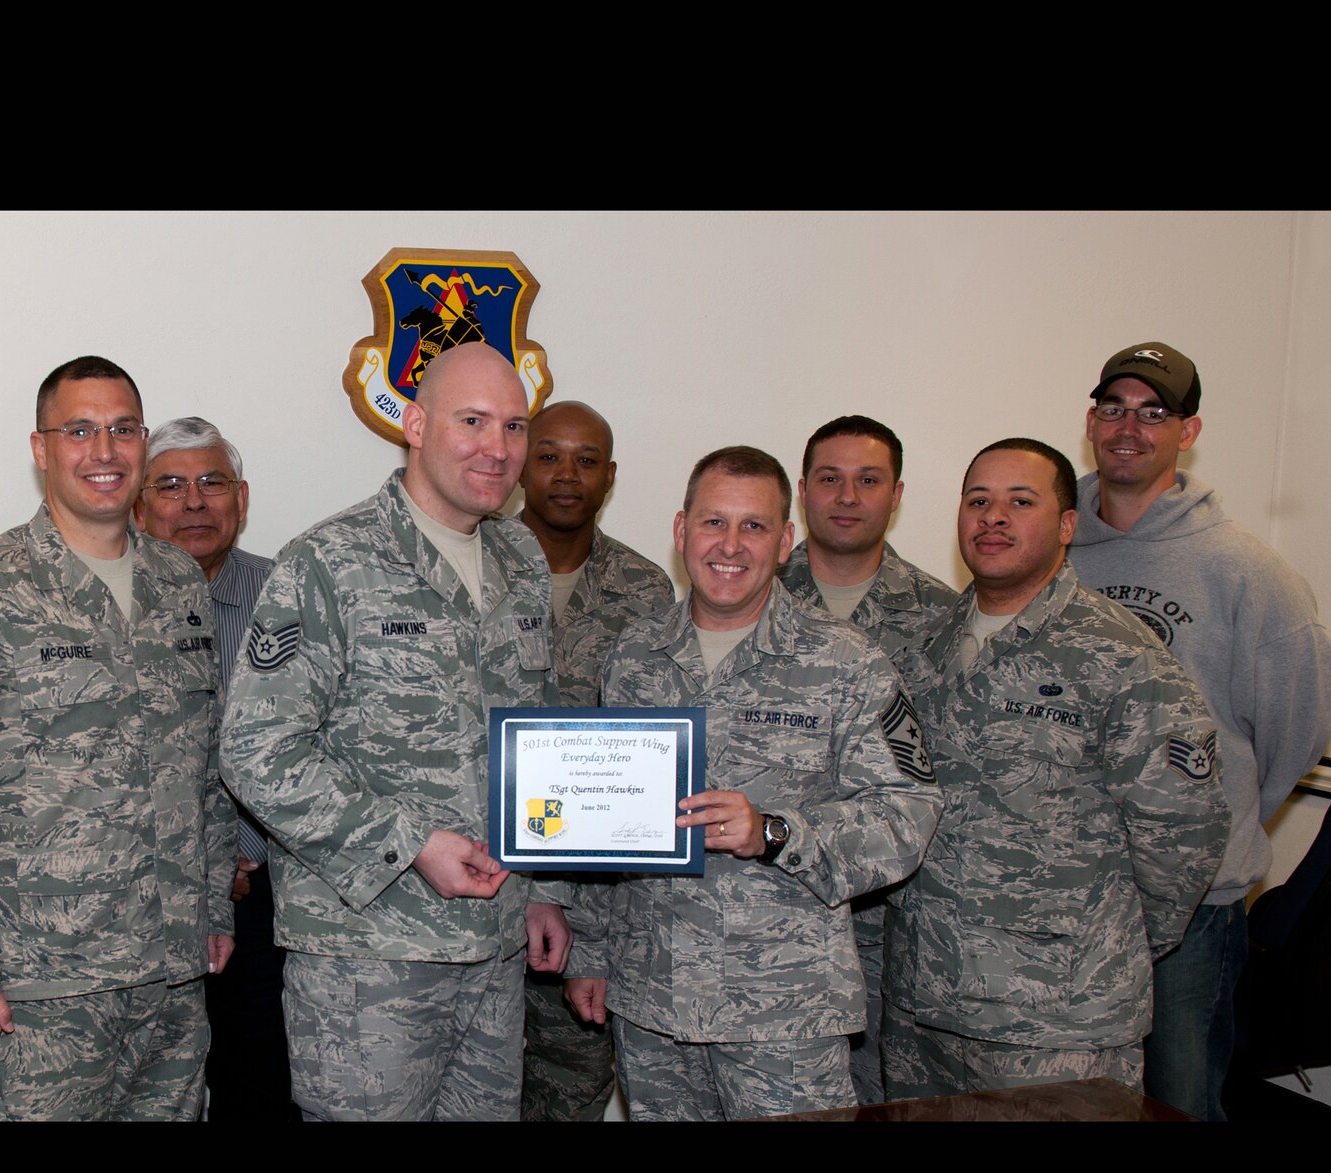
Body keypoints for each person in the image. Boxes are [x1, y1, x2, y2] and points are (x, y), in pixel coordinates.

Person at [221, 341, 572, 1122]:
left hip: (496, 943)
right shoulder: (330, 561)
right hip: (370, 957)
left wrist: (548, 886)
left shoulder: (520, 556)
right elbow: (256, 751)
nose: (498, 448)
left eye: (515, 427)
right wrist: (410, 841)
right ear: (414, 423)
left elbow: (538, 735)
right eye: (473, 420)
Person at [0, 356, 234, 1121]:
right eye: (79, 430)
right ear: (41, 449)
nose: (103, 451)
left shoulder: (180, 584)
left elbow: (203, 766)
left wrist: (212, 906)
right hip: (36, 989)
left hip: (170, 982)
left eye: (121, 430)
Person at [563, 446, 940, 1120]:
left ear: (786, 541)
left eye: (754, 526)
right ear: (681, 532)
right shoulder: (634, 657)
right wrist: (589, 948)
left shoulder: (847, 663)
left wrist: (774, 830)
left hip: (784, 1013)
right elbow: (600, 821)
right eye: (713, 523)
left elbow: (906, 815)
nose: (730, 545)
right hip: (653, 1002)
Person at [882, 439, 1230, 1098]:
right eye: (978, 500)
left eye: (1021, 501)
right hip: (924, 1012)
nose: (994, 517)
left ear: (1068, 524)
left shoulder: (1121, 657)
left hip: (1057, 1027)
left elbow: (1183, 839)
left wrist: (1090, 951)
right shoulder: (925, 647)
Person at [1065, 342, 1331, 1120]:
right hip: (1070, 891)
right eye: (1114, 407)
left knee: (1181, 1097)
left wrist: (1218, 823)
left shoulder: (1246, 569)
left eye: (1155, 412)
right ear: (1090, 420)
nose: (1129, 427)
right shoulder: (1049, 542)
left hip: (1192, 905)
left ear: (1189, 431)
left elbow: (1294, 731)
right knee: (1078, 1098)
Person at [779, 414, 954, 1105]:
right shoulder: (746, 597)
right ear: (802, 491)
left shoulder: (942, 616)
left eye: (868, 479)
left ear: (897, 493)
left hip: (902, 927)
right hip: (779, 922)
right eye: (830, 478)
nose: (847, 496)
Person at [513, 399, 675, 1122]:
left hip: (588, 905)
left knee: (569, 1098)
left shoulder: (647, 593)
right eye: (549, 455)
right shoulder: (469, 569)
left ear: (611, 476)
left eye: (586, 459)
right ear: (520, 462)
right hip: (471, 888)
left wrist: (601, 929)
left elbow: (648, 771)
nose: (567, 474)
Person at [134, 415, 296, 1120]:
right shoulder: (102, 603)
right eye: (169, 484)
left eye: (212, 482)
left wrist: (236, 852)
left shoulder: (289, 596)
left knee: (260, 1089)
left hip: (268, 900)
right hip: (141, 901)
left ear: (244, 497)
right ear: (139, 505)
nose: (193, 501)